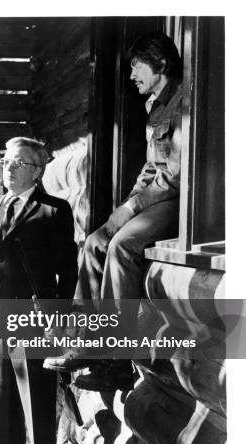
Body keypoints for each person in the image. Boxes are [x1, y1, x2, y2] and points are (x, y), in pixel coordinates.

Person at [43, 32, 183, 391]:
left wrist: (131, 210)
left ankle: (118, 358)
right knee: (94, 241)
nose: (132, 73)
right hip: (155, 196)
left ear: (161, 65)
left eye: (137, 65)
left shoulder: (185, 103)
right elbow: (150, 170)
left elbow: (174, 177)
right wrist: (123, 208)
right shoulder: (155, 105)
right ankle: (86, 341)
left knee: (121, 246)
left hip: (179, 202)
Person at [0, 137, 78, 444]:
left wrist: (57, 321)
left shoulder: (54, 210)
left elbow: (68, 273)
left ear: (38, 171)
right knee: (2, 416)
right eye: (6, 162)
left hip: (33, 324)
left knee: (37, 415)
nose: (8, 168)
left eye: (19, 163)